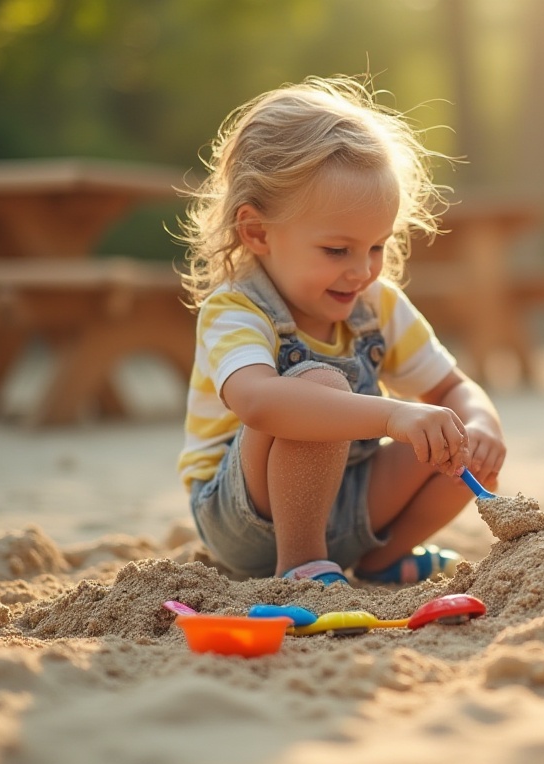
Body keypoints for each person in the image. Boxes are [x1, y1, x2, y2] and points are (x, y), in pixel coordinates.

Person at [176, 75, 505, 586]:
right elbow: (259, 402)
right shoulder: (237, 308)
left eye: (376, 246)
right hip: (244, 517)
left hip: (351, 504)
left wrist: (480, 423)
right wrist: (395, 415)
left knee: (463, 442)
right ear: (257, 232)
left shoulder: (376, 306)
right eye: (337, 250)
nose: (363, 270)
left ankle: (382, 557)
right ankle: (301, 563)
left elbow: (451, 387)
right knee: (318, 387)